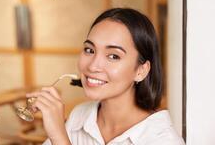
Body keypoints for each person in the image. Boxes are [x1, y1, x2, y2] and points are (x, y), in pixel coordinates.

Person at [27, 8, 185, 145]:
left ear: (141, 71)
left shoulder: (162, 139)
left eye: (113, 56)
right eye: (90, 50)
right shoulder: (79, 116)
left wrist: (59, 137)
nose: (93, 66)